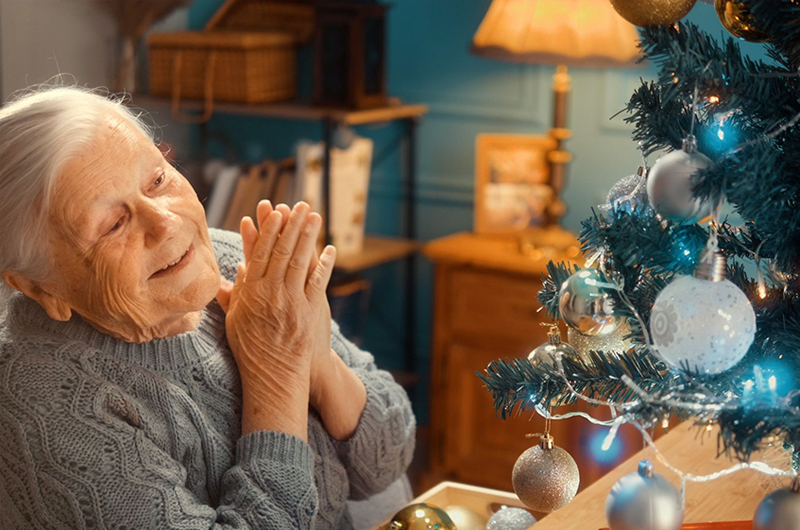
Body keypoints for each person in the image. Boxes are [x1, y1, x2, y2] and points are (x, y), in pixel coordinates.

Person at [0, 85, 416, 529]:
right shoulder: (41, 400)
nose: (166, 222)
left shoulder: (231, 258)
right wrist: (276, 375)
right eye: (114, 224)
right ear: (42, 289)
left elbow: (388, 461)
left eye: (157, 180)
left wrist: (315, 360)